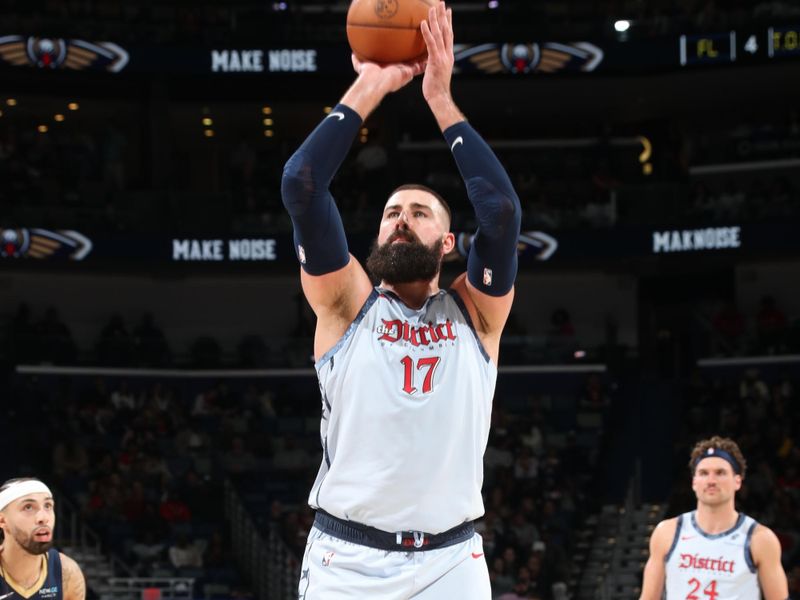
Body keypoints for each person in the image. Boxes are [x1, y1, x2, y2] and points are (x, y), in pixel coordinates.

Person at [280, 3, 521, 598]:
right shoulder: (345, 304)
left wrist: (440, 98)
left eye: (418, 213)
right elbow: (302, 183)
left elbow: (502, 213)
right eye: (391, 213)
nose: (401, 222)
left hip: (451, 561)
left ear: (447, 242)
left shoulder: (476, 311)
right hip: (348, 561)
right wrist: (372, 84)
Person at [640, 437, 788, 600]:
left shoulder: (760, 539)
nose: (711, 481)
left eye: (720, 473)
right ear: (694, 482)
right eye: (703, 473)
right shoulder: (667, 532)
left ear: (737, 481)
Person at [0, 477, 86, 600]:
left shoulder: (67, 572)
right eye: (28, 507)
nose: (43, 517)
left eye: (48, 506)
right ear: (2, 520)